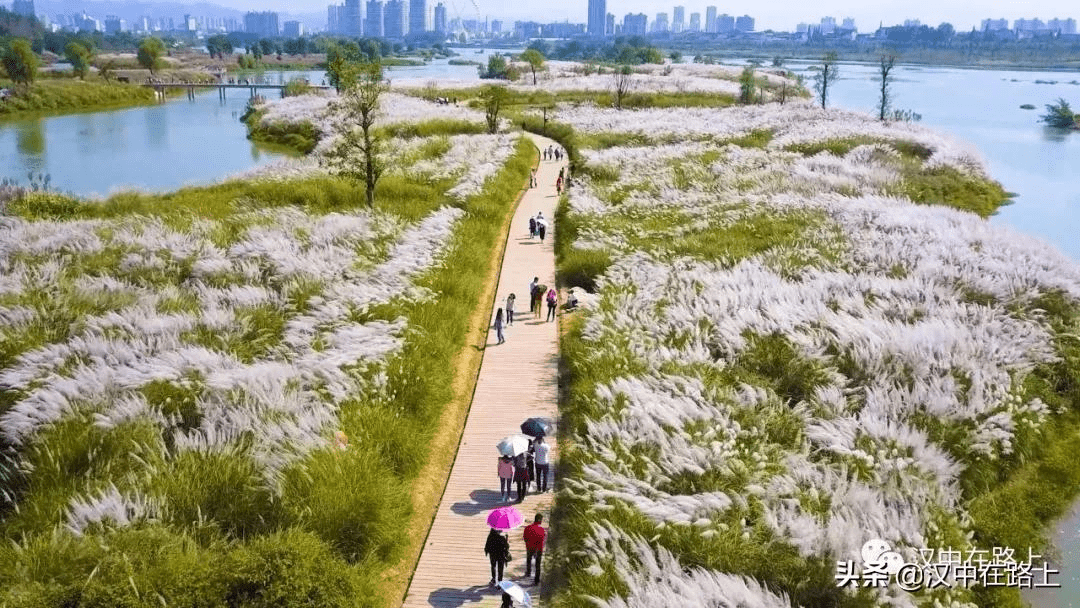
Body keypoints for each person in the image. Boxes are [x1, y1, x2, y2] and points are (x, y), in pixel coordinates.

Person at [523, 514, 547, 586]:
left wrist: (528, 544)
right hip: (538, 549)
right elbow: (542, 540)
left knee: (529, 560)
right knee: (538, 565)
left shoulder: (528, 528)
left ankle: (528, 572)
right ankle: (536, 580)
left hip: (530, 547)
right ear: (539, 520)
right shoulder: (541, 530)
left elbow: (525, 538)